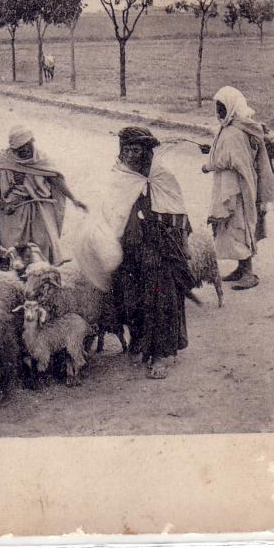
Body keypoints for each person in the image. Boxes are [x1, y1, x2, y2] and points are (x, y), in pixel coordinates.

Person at [77, 127, 193, 379]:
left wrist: (184, 245)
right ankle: (140, 343)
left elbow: (179, 211)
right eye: (126, 149)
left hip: (160, 249)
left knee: (160, 301)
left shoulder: (161, 175)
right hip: (130, 249)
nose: (130, 155)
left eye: (136, 150)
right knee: (132, 299)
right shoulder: (119, 175)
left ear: (146, 151)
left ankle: (159, 355)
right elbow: (107, 211)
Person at [0, 125, 85, 263]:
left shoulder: (42, 160)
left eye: (27, 145)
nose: (25, 150)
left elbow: (55, 180)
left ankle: (41, 270)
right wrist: (3, 204)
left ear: (32, 141)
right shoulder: (2, 160)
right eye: (20, 148)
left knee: (41, 243)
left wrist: (74, 199)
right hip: (13, 212)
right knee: (12, 247)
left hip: (38, 210)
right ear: (13, 148)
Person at [201, 86, 274, 290]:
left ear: (232, 108)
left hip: (238, 188)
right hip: (230, 186)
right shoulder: (232, 127)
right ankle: (241, 268)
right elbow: (226, 152)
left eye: (222, 108)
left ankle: (248, 273)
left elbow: (233, 160)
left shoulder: (234, 132)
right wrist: (211, 150)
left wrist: (208, 165)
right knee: (232, 227)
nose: (219, 112)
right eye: (218, 108)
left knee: (239, 228)